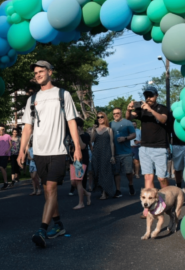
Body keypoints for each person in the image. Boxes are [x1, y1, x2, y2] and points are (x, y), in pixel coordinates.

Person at [17, 60, 81, 248]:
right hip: (39, 151)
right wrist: (22, 149)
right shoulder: (32, 99)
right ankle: (59, 225)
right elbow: (27, 127)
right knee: (46, 190)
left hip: (58, 150)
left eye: (41, 71)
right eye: (35, 72)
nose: (37, 75)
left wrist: (77, 147)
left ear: (50, 72)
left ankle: (42, 230)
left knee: (51, 188)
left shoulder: (63, 94)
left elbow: (71, 122)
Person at [126, 86, 169, 191]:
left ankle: (168, 202)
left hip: (160, 147)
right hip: (144, 147)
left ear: (156, 96)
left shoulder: (162, 108)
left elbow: (163, 119)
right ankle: (151, 205)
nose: (148, 98)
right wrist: (128, 109)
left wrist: (150, 110)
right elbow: (129, 118)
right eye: (146, 96)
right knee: (148, 177)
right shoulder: (141, 109)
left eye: (151, 95)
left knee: (161, 178)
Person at [167, 113, 185, 205]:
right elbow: (167, 130)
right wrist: (167, 145)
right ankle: (178, 190)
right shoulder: (172, 114)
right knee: (178, 169)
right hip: (175, 145)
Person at [110, 107, 136, 197]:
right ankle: (118, 190)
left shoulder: (127, 123)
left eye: (117, 113)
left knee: (128, 172)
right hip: (115, 153)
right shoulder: (110, 124)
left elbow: (133, 134)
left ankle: (131, 184)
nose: (116, 115)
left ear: (121, 113)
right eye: (114, 113)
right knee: (116, 172)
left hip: (126, 152)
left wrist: (125, 138)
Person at [91, 112, 117, 199]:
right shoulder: (95, 129)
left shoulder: (109, 129)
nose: (100, 119)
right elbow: (92, 140)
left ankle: (105, 193)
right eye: (98, 117)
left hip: (106, 153)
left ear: (105, 118)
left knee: (105, 172)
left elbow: (111, 143)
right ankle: (101, 190)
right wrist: (93, 130)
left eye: (102, 117)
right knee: (97, 171)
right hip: (96, 153)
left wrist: (113, 155)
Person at [69, 117, 91, 209]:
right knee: (73, 182)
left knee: (78, 181)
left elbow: (82, 146)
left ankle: (81, 203)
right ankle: (87, 193)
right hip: (72, 159)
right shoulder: (70, 135)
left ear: (79, 127)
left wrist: (77, 134)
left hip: (81, 159)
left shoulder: (85, 135)